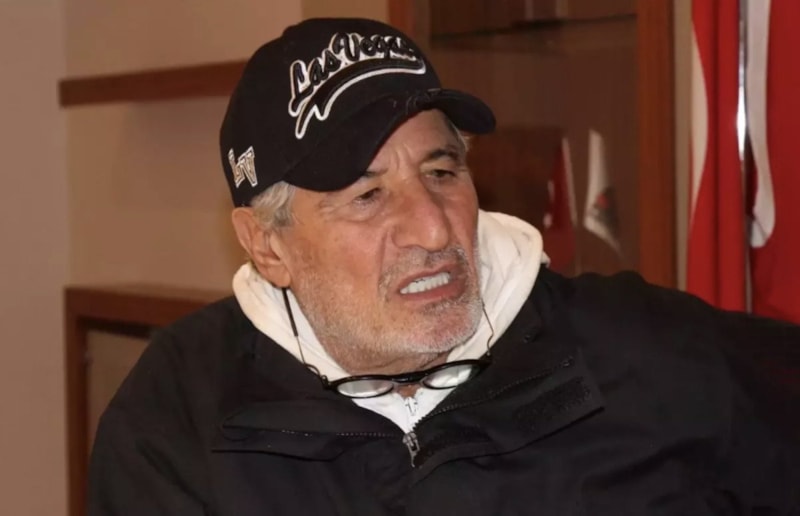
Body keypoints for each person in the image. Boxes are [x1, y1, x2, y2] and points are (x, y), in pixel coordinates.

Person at [87, 17, 800, 515]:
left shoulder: (645, 348)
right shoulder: (181, 413)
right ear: (268, 245)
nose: (433, 228)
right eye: (367, 196)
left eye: (442, 171)